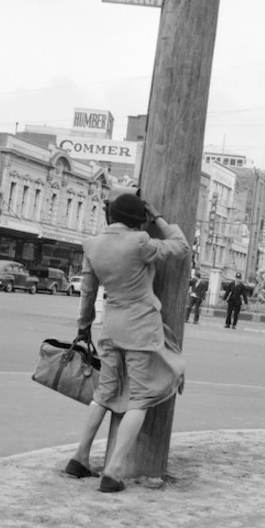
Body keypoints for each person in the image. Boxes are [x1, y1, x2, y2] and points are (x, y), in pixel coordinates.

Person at [65, 191, 189, 493]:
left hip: (110, 325)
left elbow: (88, 292)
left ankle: (79, 457)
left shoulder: (92, 245)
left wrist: (84, 327)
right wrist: (158, 217)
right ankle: (114, 470)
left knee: (105, 394)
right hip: (141, 327)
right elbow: (181, 247)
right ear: (138, 220)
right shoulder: (140, 242)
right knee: (140, 398)